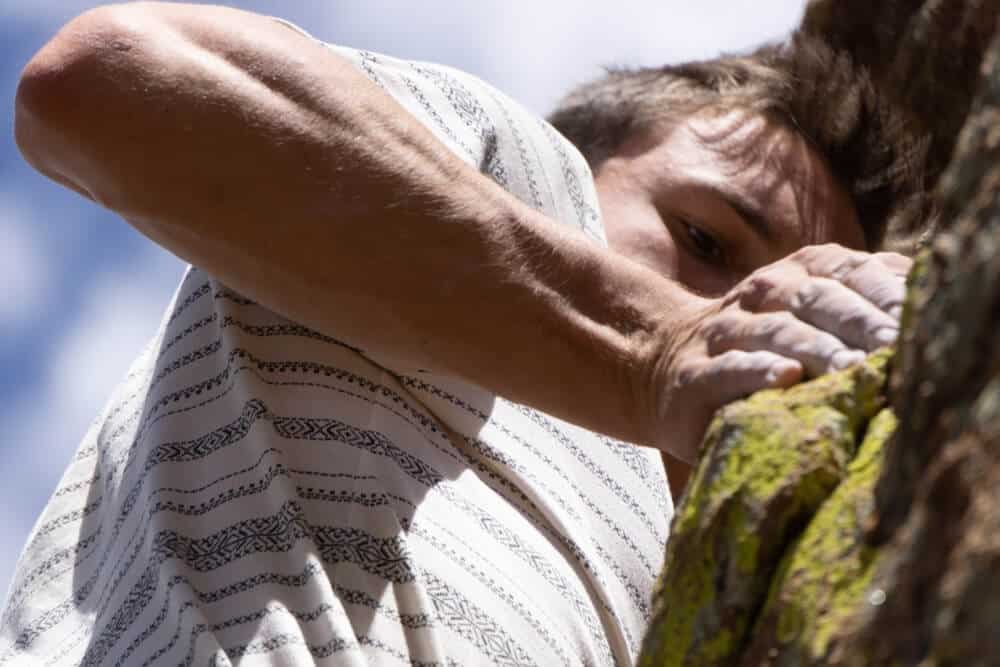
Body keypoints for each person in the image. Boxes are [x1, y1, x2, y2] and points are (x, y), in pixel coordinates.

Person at [3, 3, 917, 665]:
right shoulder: (501, 164)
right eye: (705, 239)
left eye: (808, 310)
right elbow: (109, 78)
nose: (749, 319)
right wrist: (653, 347)